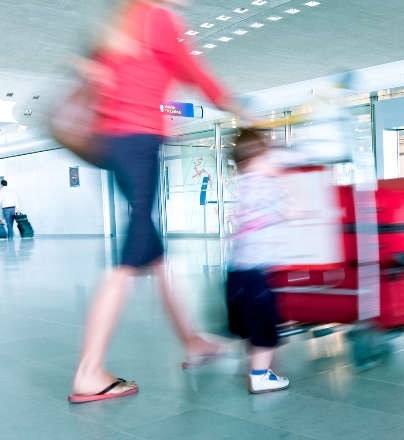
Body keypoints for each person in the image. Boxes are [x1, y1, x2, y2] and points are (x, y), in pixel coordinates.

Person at [68, 0, 251, 403]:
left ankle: (192, 342)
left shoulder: (122, 20)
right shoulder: (158, 16)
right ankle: (88, 371)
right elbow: (193, 70)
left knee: (153, 251)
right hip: (139, 142)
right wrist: (234, 104)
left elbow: (104, 79)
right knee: (129, 256)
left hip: (116, 144)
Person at [225, 128, 290, 394]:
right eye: (270, 157)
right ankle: (260, 376)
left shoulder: (242, 183)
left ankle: (249, 365)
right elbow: (285, 211)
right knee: (265, 331)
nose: (275, 162)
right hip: (255, 276)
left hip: (235, 274)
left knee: (250, 327)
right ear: (257, 159)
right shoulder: (267, 184)